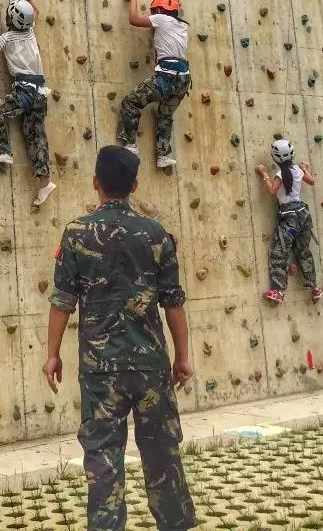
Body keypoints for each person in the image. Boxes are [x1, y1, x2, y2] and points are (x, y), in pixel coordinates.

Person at [45, 145, 196, 531]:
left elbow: (62, 301)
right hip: (150, 367)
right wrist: (182, 357)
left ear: (96, 183)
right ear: (135, 185)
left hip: (100, 372)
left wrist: (52, 355)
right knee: (162, 454)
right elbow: (173, 303)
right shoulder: (156, 234)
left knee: (103, 459)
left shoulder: (76, 234)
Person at [0, 0, 56, 207]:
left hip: (25, 91)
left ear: (10, 20)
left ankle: (3, 150)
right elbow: (37, 11)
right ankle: (45, 183)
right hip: (40, 92)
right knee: (35, 136)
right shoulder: (30, 31)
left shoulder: (8, 37)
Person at [116, 0, 189, 170]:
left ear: (160, 10)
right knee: (165, 114)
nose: (153, 14)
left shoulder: (162, 19)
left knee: (131, 102)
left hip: (167, 75)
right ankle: (163, 155)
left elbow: (134, 19)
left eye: (155, 10)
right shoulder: (182, 26)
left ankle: (130, 144)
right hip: (183, 80)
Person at [256, 139, 323, 303]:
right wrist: (306, 169)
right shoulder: (298, 171)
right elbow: (312, 181)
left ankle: (278, 290)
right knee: (303, 251)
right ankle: (314, 287)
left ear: (275, 158)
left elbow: (272, 190)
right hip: (304, 216)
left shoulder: (280, 174)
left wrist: (264, 174)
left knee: (279, 251)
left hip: (290, 219)